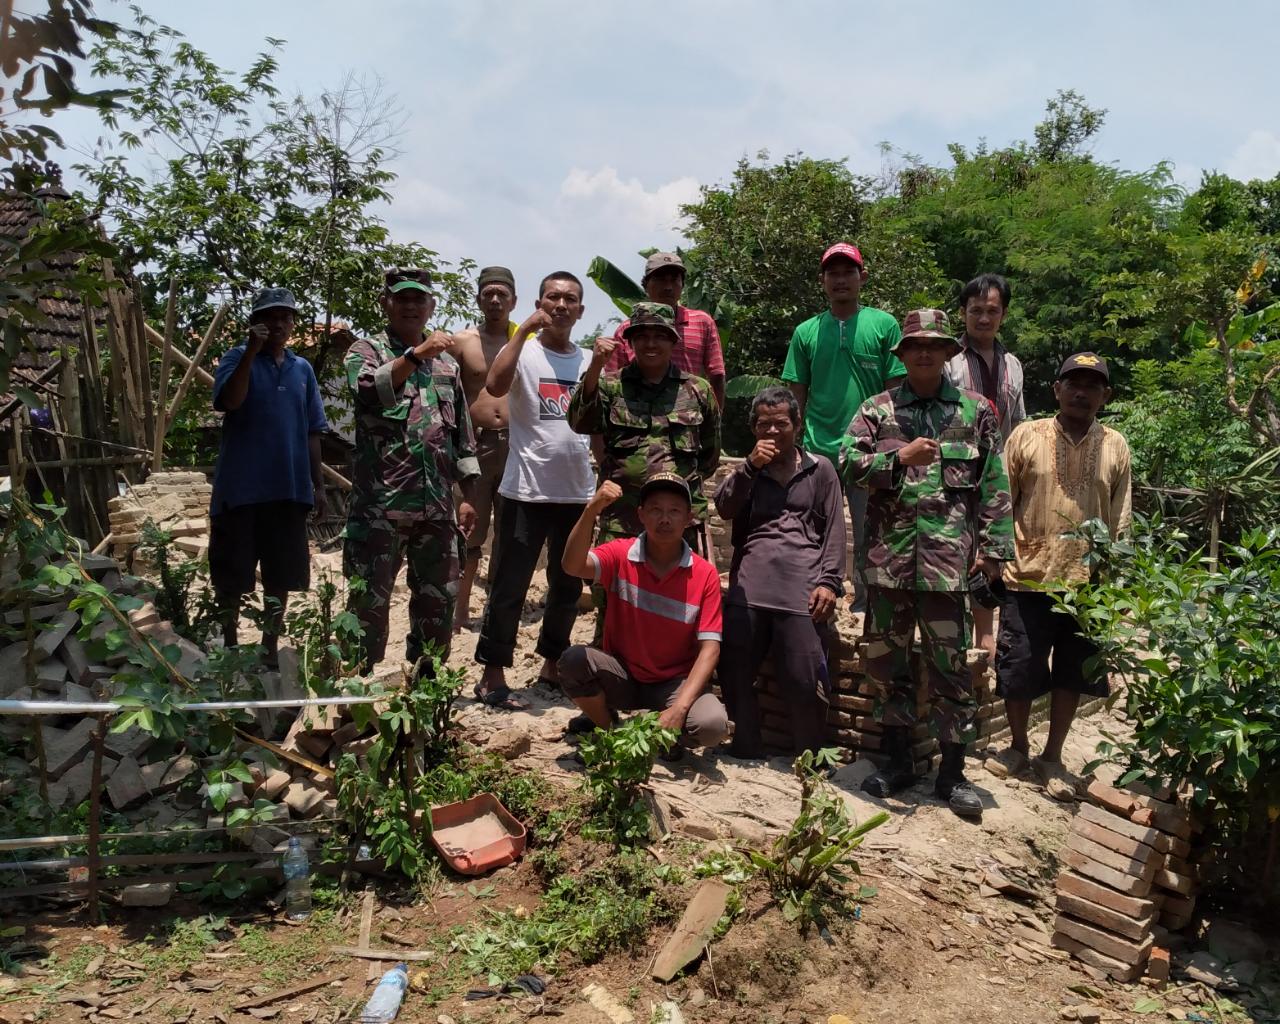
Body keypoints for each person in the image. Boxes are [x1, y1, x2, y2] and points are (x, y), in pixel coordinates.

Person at [840, 309, 1013, 818]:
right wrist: (898, 459)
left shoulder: (977, 411)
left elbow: (994, 486)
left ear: (947, 354)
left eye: (934, 346)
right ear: (902, 354)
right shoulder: (877, 410)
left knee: (951, 669)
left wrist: (995, 552)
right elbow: (845, 459)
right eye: (915, 345)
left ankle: (952, 775)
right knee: (885, 664)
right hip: (889, 567)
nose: (923, 352)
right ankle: (896, 764)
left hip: (948, 568)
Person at [990, 353, 1131, 798]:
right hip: (1027, 573)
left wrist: (1118, 576)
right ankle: (1016, 749)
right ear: (1056, 389)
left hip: (1087, 583)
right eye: (1073, 383)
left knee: (1073, 673)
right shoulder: (1025, 435)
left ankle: (1052, 757)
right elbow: (998, 500)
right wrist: (990, 555)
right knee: (1019, 666)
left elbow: (1121, 514)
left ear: (1104, 396)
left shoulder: (1115, 445)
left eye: (1092, 385)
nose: (1081, 392)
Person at [343, 267, 479, 675]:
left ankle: (426, 692)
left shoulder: (447, 369)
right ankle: (354, 692)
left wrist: (469, 496)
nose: (410, 306)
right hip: (379, 510)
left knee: (437, 604)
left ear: (430, 306)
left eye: (418, 299)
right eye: (401, 298)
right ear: (386, 303)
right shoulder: (364, 352)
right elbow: (370, 391)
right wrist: (416, 355)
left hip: (436, 510)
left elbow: (463, 440)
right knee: (367, 605)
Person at [472, 272, 595, 708]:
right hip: (525, 490)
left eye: (570, 299)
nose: (561, 304)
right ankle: (492, 673)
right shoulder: (524, 352)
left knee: (565, 585)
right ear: (541, 302)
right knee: (510, 584)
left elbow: (597, 422)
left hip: (578, 493)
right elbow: (495, 387)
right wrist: (522, 330)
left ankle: (551, 664)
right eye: (553, 297)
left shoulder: (587, 360)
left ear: (581, 311)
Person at [715, 386, 845, 758]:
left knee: (806, 679)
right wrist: (750, 467)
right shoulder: (747, 470)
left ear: (797, 426)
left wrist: (830, 582)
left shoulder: (820, 470)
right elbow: (724, 507)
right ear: (754, 428)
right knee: (734, 666)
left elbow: (835, 530)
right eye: (763, 425)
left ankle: (810, 757)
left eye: (781, 424)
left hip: (800, 589)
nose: (772, 432)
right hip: (750, 586)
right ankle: (747, 745)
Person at [559, 474, 728, 756]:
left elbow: (710, 648)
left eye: (674, 511)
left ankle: (662, 738)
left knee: (712, 725)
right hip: (622, 674)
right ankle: (613, 733)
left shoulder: (704, 573)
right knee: (573, 661)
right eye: (655, 510)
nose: (665, 519)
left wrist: (679, 708)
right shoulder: (621, 554)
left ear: (688, 518)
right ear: (641, 515)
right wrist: (591, 510)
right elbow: (572, 565)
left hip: (673, 684)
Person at [782, 242, 904, 614]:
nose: (840, 280)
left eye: (847, 272)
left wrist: (893, 446)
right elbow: (796, 393)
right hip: (819, 448)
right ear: (822, 281)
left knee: (872, 529)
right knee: (813, 528)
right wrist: (793, 446)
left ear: (861, 277)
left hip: (869, 451)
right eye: (832, 273)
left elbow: (896, 389)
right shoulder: (806, 332)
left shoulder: (883, 325)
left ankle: (867, 605)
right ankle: (811, 598)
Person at [209, 287, 328, 668]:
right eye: (267, 317)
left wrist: (318, 484)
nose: (277, 324)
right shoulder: (233, 359)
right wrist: (248, 352)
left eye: (284, 317)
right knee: (232, 576)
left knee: (280, 576)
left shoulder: (302, 369)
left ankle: (269, 649)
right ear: (253, 324)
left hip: (287, 489)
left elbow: (313, 429)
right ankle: (229, 647)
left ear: (293, 323)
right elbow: (231, 401)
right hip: (240, 490)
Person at [567, 301, 720, 553]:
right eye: (642, 336)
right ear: (630, 342)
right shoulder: (610, 386)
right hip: (621, 518)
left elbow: (709, 457)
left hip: (680, 523)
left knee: (680, 591)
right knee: (613, 590)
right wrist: (595, 367)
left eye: (660, 336)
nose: (651, 344)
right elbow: (578, 422)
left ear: (674, 341)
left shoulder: (698, 390)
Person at [943, 273, 1026, 661]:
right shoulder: (949, 362)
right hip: (953, 469)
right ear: (963, 313)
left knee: (989, 550)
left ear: (1003, 315)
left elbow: (1018, 424)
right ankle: (951, 630)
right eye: (976, 310)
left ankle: (985, 634)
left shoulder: (1014, 366)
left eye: (992, 311)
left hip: (997, 472)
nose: (983, 318)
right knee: (952, 548)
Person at [448, 266, 519, 632]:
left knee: (509, 534)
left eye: (502, 294)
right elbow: (446, 395)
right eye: (488, 293)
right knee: (468, 529)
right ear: (478, 299)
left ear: (513, 301)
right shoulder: (462, 342)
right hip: (475, 446)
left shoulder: (525, 341)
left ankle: (496, 609)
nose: (495, 300)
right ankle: (460, 610)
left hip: (515, 446)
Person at [602, 252, 726, 409]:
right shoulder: (626, 330)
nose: (668, 287)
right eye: (660, 279)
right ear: (646, 285)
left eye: (674, 280)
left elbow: (716, 375)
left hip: (689, 420)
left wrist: (714, 422)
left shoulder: (703, 323)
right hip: (639, 423)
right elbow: (611, 382)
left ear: (682, 284)